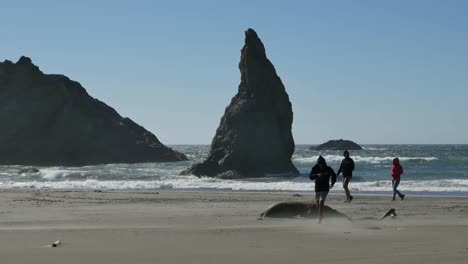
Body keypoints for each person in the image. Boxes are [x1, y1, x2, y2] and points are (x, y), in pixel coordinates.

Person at [309, 156, 337, 223]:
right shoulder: (315, 168)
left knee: (321, 202)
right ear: (318, 163)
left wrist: (332, 183)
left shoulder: (328, 168)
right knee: (317, 201)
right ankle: (320, 215)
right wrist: (317, 175)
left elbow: (334, 175)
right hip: (317, 187)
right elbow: (310, 176)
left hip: (325, 187)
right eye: (319, 164)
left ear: (324, 163)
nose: (321, 165)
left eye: (322, 164)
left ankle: (320, 218)